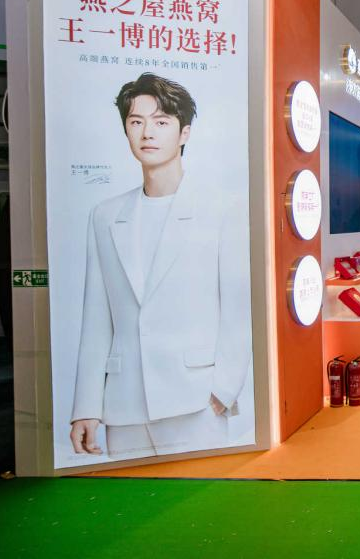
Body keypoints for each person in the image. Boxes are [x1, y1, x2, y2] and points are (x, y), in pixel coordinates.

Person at [69, 73, 250, 460]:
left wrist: (222, 391)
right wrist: (86, 406)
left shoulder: (221, 209)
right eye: (136, 121)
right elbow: (96, 317)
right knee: (132, 494)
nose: (147, 133)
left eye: (161, 122)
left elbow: (239, 308)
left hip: (196, 399)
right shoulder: (105, 215)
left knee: (203, 494)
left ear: (184, 133)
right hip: (124, 405)